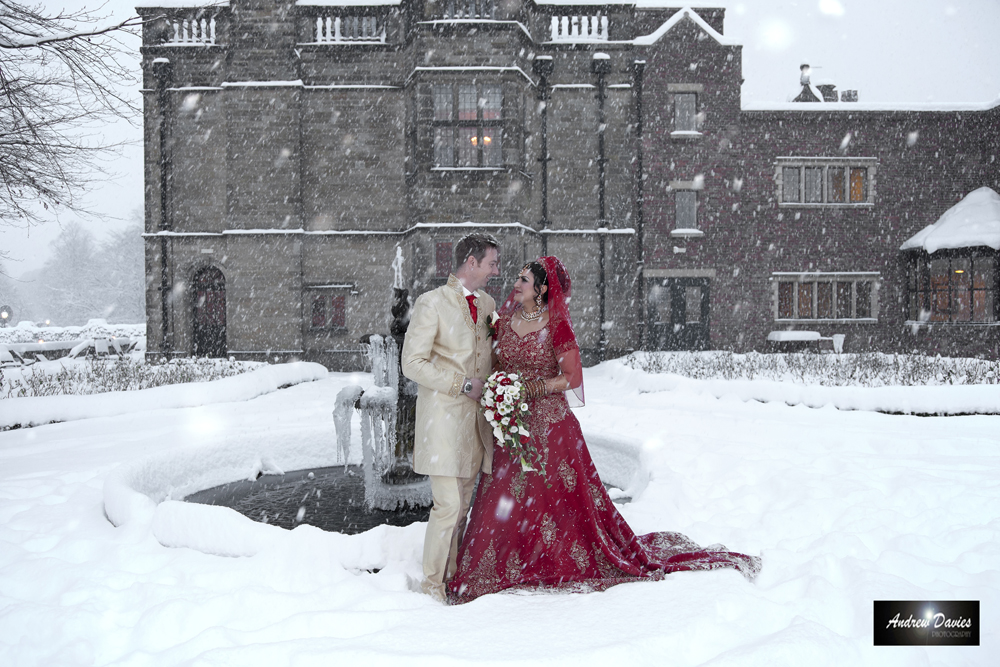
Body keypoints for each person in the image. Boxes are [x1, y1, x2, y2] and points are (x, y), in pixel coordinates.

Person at [448, 256, 760, 603]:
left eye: (524, 280)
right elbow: (493, 365)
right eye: (518, 278)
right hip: (510, 425)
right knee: (506, 497)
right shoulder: (502, 323)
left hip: (551, 426)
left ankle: (553, 559)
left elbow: (573, 378)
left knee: (556, 500)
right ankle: (498, 566)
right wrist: (498, 391)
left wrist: (530, 389)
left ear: (542, 289)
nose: (516, 284)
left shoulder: (556, 326)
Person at [401, 232, 500, 602]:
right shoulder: (432, 303)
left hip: (476, 424)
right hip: (441, 420)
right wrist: (460, 384)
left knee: (462, 508)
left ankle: (452, 578)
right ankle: (432, 587)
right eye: (492, 262)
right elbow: (411, 363)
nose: (496, 270)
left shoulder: (489, 303)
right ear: (471, 263)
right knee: (449, 505)